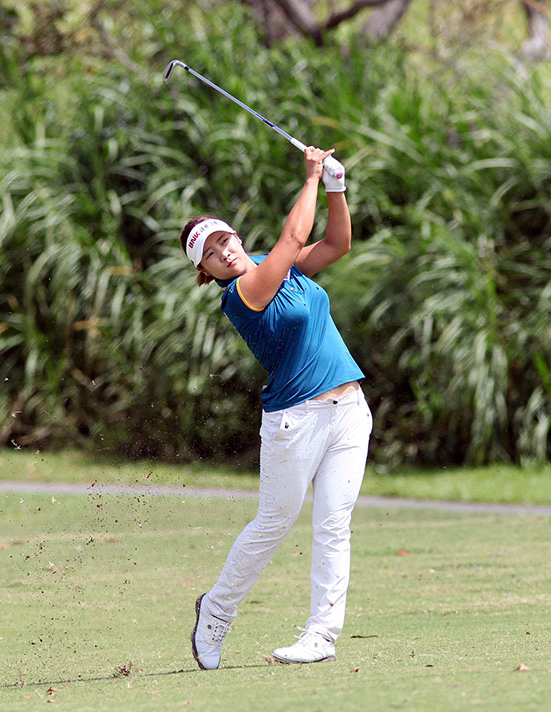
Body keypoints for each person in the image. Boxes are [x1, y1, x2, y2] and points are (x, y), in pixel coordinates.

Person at [180, 146, 372, 668]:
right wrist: (311, 176)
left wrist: (336, 187)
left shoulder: (274, 264)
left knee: (334, 524)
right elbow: (293, 238)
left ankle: (321, 636)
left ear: (237, 238)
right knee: (274, 522)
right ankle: (216, 612)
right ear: (207, 271)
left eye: (225, 239)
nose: (224, 251)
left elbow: (336, 243)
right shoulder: (242, 295)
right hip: (296, 421)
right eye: (211, 253)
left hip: (350, 410)